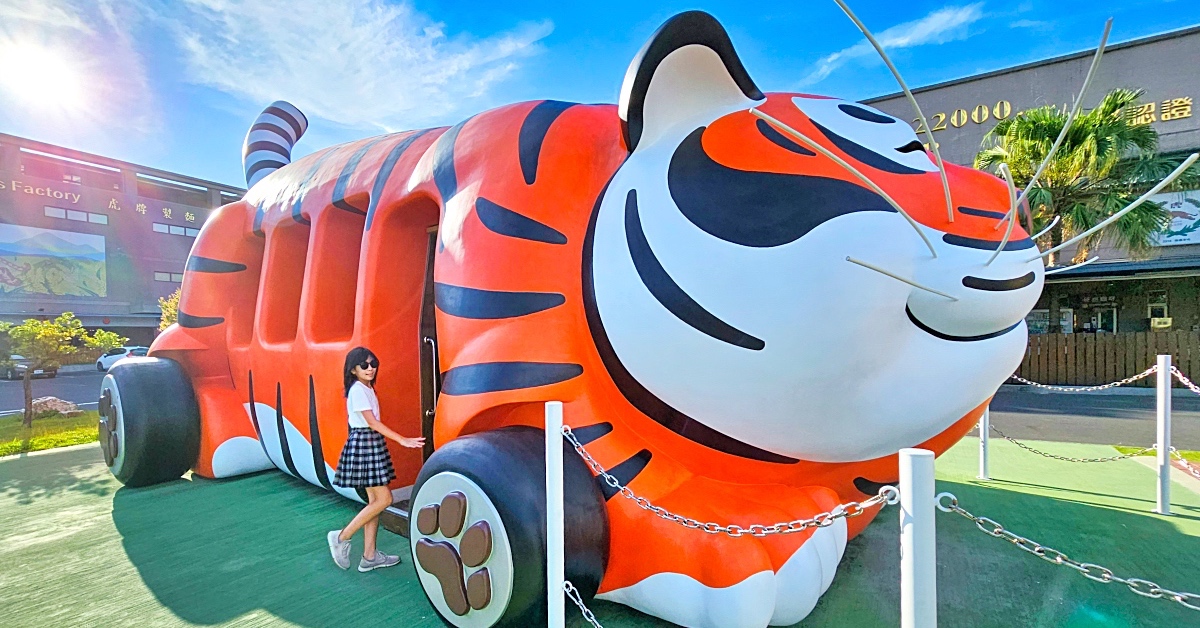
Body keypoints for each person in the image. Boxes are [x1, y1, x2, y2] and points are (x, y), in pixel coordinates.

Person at [327, 347, 425, 571]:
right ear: (353, 370)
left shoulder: (366, 388)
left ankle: (369, 557)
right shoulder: (359, 390)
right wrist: (403, 440)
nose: (370, 368)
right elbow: (372, 422)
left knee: (375, 503)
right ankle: (341, 537)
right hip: (365, 443)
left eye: (373, 364)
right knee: (384, 500)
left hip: (370, 443)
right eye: (364, 365)